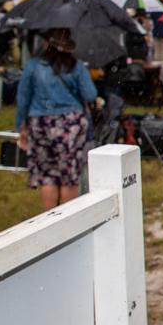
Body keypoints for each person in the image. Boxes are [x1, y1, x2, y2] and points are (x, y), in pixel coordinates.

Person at [15, 28, 98, 210]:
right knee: (70, 175)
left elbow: (23, 98)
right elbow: (90, 94)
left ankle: (50, 219)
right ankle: (69, 219)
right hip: (71, 123)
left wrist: (20, 127)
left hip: (40, 122)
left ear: (47, 44)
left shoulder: (34, 66)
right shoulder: (76, 66)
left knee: (47, 175)